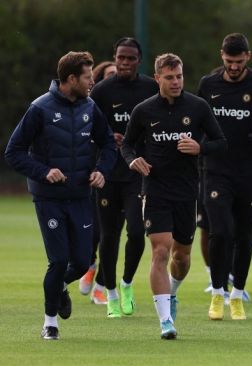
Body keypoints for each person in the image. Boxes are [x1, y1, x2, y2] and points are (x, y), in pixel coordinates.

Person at [5, 51, 117, 340]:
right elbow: (13, 152)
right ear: (71, 79)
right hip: (48, 198)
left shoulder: (90, 107)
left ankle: (61, 286)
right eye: (88, 76)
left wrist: (102, 170)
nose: (93, 81)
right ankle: (50, 321)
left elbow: (108, 145)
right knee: (58, 260)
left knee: (80, 263)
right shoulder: (39, 108)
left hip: (80, 195)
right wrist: (43, 172)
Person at [121, 53, 227, 339]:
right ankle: (165, 320)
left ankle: (173, 292)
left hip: (186, 191)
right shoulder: (143, 110)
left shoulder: (198, 106)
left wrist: (200, 148)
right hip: (155, 189)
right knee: (160, 250)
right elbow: (127, 145)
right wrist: (133, 160)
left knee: (181, 257)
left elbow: (220, 142)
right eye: (169, 77)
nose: (176, 81)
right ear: (158, 78)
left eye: (179, 76)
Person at [197, 33, 252, 321]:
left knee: (245, 237)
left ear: (248, 56)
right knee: (220, 232)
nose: (234, 66)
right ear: (222, 56)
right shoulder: (208, 85)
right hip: (215, 171)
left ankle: (237, 295)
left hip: (247, 173)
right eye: (229, 61)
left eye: (239, 61)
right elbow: (199, 124)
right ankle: (217, 293)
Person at [90, 37, 159, 318]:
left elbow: (161, 123)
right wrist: (107, 138)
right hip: (108, 173)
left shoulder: (150, 88)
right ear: (114, 58)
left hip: (137, 173)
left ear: (139, 60)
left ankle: (127, 282)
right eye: (121, 57)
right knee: (109, 236)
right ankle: (111, 293)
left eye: (131, 58)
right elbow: (89, 129)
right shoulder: (102, 91)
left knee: (136, 233)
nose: (125, 63)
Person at [79, 59, 117, 305]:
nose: (113, 77)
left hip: (121, 175)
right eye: (108, 74)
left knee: (112, 235)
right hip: (93, 174)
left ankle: (101, 286)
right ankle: (89, 263)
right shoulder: (90, 105)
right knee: (94, 233)